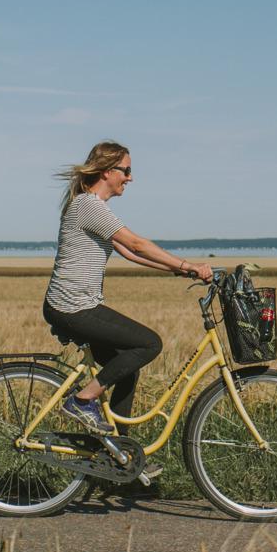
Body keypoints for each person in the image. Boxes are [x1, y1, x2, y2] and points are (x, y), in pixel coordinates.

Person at [43, 143, 213, 467]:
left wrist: (179, 270)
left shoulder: (93, 207)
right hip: (72, 307)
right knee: (149, 343)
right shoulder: (88, 206)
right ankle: (83, 401)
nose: (130, 178)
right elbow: (136, 243)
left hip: (74, 306)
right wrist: (188, 264)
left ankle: (119, 456)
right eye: (127, 171)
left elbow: (130, 253)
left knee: (126, 370)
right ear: (108, 171)